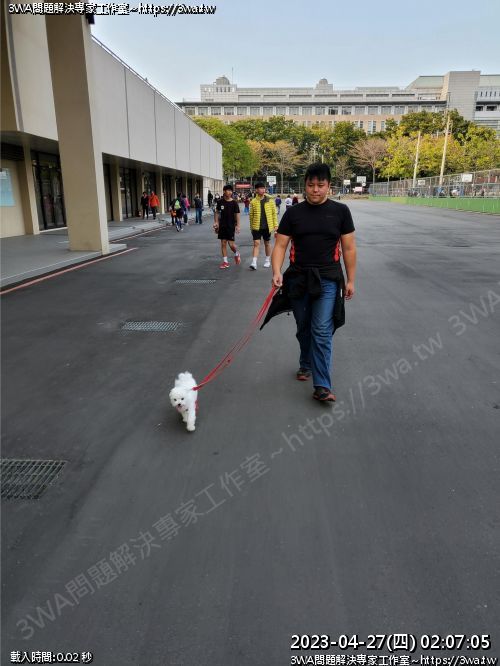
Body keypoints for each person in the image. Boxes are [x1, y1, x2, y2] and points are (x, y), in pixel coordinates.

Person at [271, 162, 357, 403]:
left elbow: (349, 248)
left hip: (328, 279)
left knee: (321, 329)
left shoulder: (340, 211)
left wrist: (351, 279)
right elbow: (280, 245)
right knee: (303, 327)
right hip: (298, 279)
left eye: (320, 185)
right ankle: (306, 362)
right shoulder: (293, 213)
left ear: (329, 186)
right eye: (311, 185)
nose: (315, 189)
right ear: (305, 185)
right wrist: (277, 271)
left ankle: (322, 385)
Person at [249, 181, 278, 270]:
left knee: (267, 243)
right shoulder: (253, 202)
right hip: (256, 226)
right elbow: (251, 216)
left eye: (263, 188)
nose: (263, 190)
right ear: (256, 190)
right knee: (256, 243)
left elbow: (274, 213)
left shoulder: (270, 200)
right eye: (260, 188)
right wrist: (251, 227)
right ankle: (254, 262)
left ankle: (267, 260)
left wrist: (276, 225)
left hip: (267, 226)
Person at [214, 184, 241, 269]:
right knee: (223, 243)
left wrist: (238, 225)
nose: (229, 192)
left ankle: (236, 253)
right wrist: (216, 222)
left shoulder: (234, 203)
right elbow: (217, 212)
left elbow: (237, 214)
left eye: (230, 191)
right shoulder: (220, 202)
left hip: (231, 225)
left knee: (231, 244)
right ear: (224, 191)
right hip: (222, 225)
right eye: (228, 190)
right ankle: (225, 262)